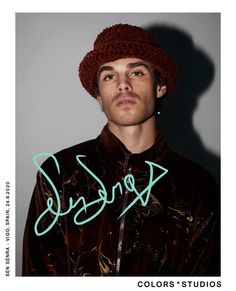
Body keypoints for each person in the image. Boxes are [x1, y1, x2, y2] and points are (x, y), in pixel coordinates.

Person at [22, 23, 220, 276]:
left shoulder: (199, 186)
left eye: (136, 73)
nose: (123, 84)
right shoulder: (58, 173)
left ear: (159, 87)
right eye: (109, 76)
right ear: (98, 95)